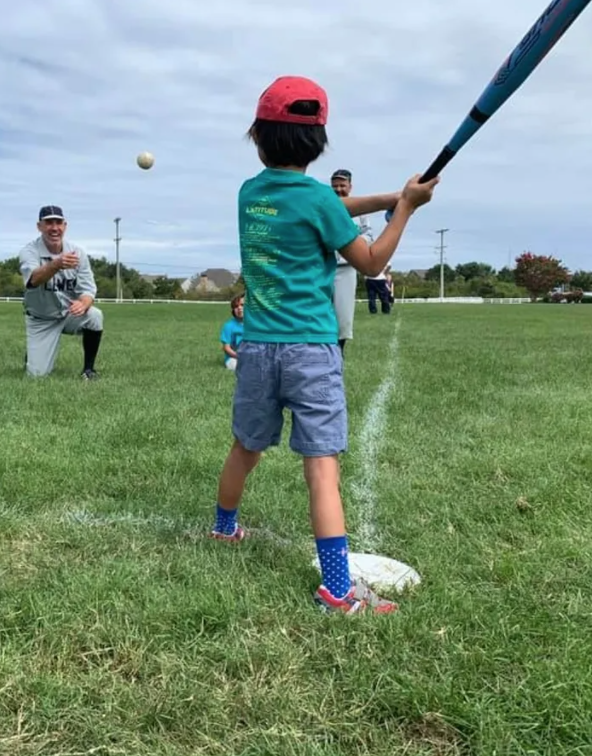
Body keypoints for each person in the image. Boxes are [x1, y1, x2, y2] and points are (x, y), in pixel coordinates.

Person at [208, 75, 438, 615]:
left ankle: (223, 529)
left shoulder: (251, 193)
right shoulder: (319, 200)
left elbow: (327, 206)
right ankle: (337, 590)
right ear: (318, 143)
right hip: (311, 349)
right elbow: (372, 262)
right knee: (321, 467)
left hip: (260, 348)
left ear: (259, 136)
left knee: (247, 446)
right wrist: (405, 210)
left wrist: (395, 194)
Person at [18, 205, 104, 379]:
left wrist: (84, 303)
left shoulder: (77, 252)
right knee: (37, 375)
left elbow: (88, 289)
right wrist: (57, 264)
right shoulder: (29, 251)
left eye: (58, 222)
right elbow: (33, 280)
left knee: (95, 316)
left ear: (65, 226)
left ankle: (88, 370)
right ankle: (33, 356)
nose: (54, 228)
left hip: (67, 314)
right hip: (41, 319)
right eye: (49, 223)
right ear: (39, 226)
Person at [329, 169, 375, 356]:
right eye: (335, 186)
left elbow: (368, 235)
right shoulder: (326, 206)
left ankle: (338, 355)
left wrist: (353, 245)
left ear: (350, 186)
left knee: (343, 317)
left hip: (346, 268)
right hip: (324, 266)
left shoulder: (360, 210)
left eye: (342, 185)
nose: (339, 189)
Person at [219, 294, 245, 369]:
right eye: (236, 306)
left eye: (242, 305)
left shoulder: (254, 324)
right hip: (233, 358)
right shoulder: (229, 326)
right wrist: (239, 356)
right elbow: (226, 348)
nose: (239, 308)